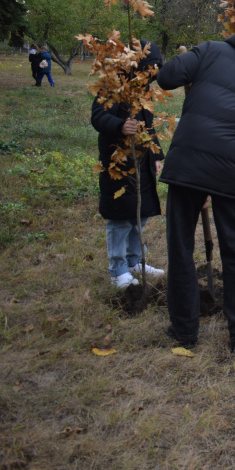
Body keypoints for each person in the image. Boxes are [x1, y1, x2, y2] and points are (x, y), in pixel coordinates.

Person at [157, 32, 235, 353]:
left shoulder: (211, 50)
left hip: (187, 163)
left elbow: (167, 77)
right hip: (233, 172)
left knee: (180, 247)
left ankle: (184, 330)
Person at [90, 41, 166, 288]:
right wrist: (120, 126)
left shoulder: (143, 92)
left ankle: (135, 262)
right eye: (149, 70)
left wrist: (156, 156)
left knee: (140, 215)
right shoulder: (111, 85)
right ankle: (118, 269)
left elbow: (149, 126)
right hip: (118, 162)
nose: (150, 76)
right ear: (137, 66)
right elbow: (98, 117)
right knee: (121, 217)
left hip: (142, 162)